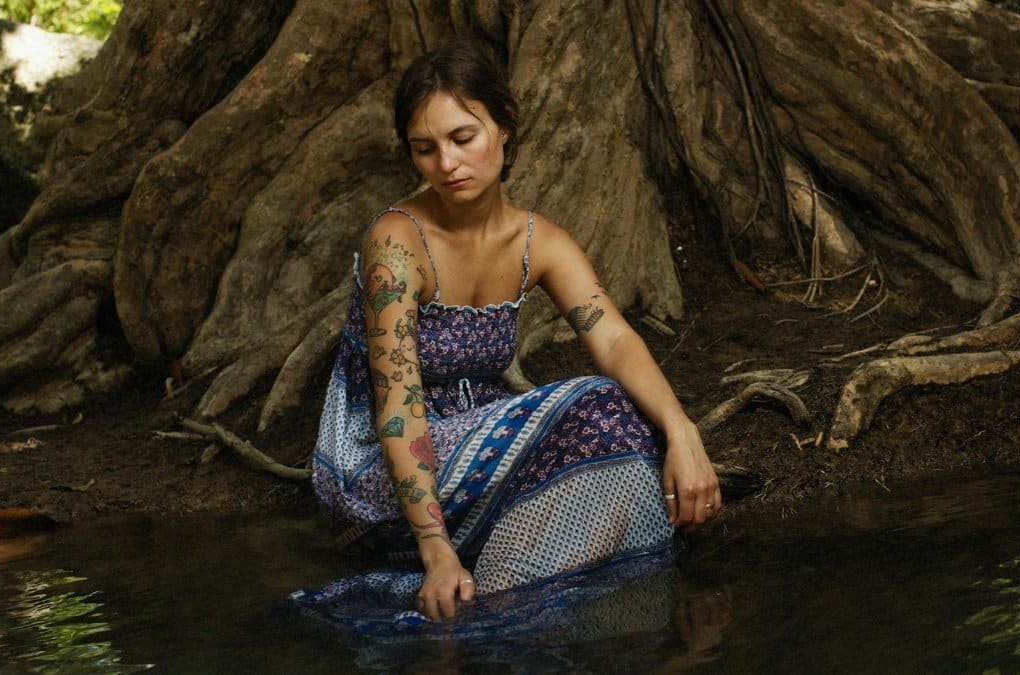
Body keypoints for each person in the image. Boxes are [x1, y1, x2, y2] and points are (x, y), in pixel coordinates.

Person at [297, 40, 720, 629]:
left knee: (637, 429)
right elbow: (397, 407)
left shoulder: (538, 240)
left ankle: (538, 608)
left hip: (480, 446)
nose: (447, 164)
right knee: (596, 403)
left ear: (504, 127)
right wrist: (435, 550)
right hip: (378, 474)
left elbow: (614, 340)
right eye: (425, 149)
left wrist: (682, 431)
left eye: (462, 137)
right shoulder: (397, 240)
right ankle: (490, 614)